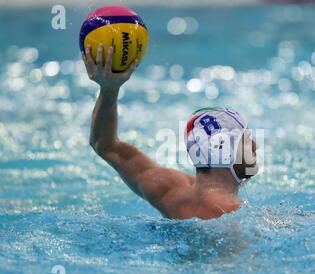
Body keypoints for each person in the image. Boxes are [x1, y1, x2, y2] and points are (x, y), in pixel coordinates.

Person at [82, 44, 259, 220]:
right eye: (246, 139)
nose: (255, 147)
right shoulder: (237, 218)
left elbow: (104, 144)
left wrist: (109, 90)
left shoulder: (169, 191)